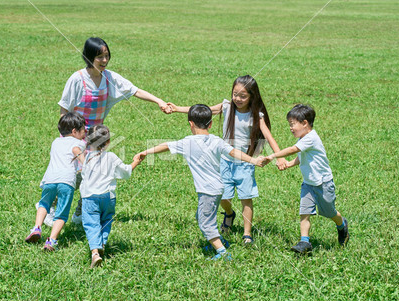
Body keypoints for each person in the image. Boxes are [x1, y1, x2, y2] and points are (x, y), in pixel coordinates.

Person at [56, 37, 170, 225]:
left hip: (94, 137)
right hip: (73, 136)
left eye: (106, 56)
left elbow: (134, 90)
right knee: (70, 178)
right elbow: (63, 110)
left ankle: (79, 212)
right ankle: (51, 207)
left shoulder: (109, 78)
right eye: (99, 57)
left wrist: (159, 101)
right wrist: (66, 139)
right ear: (89, 57)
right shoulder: (77, 79)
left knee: (94, 175)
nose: (104, 60)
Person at [135, 105, 265, 260]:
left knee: (205, 223)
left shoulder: (187, 142)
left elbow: (166, 146)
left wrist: (146, 152)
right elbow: (234, 152)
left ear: (190, 123)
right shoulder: (217, 140)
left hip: (207, 191)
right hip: (218, 188)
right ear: (210, 124)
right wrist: (254, 160)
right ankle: (219, 240)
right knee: (201, 216)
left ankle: (223, 252)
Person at [167, 75, 286, 245]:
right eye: (235, 94)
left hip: (245, 163)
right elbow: (205, 111)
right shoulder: (227, 107)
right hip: (225, 161)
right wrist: (177, 108)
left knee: (246, 198)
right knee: (224, 198)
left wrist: (279, 158)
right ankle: (229, 214)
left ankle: (247, 234)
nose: (237, 98)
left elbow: (269, 137)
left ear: (252, 96)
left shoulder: (255, 116)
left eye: (243, 96)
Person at [264, 104, 349, 253]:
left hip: (323, 183)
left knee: (329, 212)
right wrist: (289, 164)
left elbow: (293, 150)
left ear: (304, 123)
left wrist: (273, 155)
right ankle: (304, 242)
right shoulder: (303, 138)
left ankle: (342, 225)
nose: (290, 128)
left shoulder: (311, 138)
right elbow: (300, 156)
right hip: (308, 184)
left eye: (292, 124)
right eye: (289, 124)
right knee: (304, 213)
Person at [80, 125, 144, 268]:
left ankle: (95, 252)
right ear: (108, 142)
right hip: (108, 197)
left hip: (89, 196)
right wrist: (136, 162)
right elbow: (126, 172)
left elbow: (84, 176)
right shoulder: (112, 157)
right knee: (106, 221)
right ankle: (102, 242)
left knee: (92, 224)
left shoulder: (88, 157)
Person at [25, 112, 86, 251]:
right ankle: (51, 241)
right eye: (83, 129)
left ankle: (37, 228)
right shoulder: (79, 143)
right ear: (74, 131)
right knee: (62, 213)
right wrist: (85, 163)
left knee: (44, 203)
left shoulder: (55, 142)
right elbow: (76, 150)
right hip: (67, 181)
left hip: (50, 179)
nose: (85, 132)